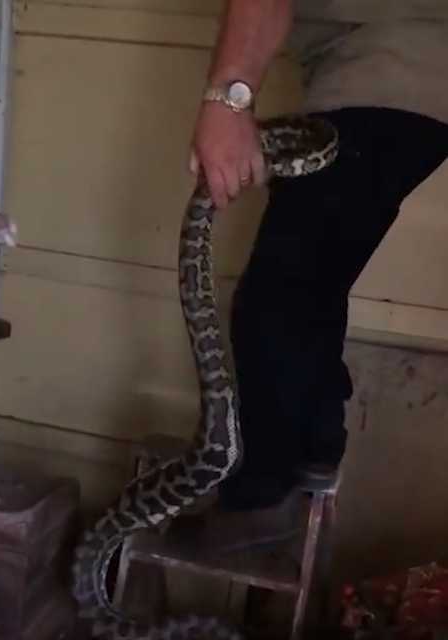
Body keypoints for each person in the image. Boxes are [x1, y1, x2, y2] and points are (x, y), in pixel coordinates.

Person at [188, 0, 448, 516]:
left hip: (389, 64)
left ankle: (259, 502)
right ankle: (314, 448)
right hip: (386, 68)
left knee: (274, 302)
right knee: (308, 287)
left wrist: (228, 102)